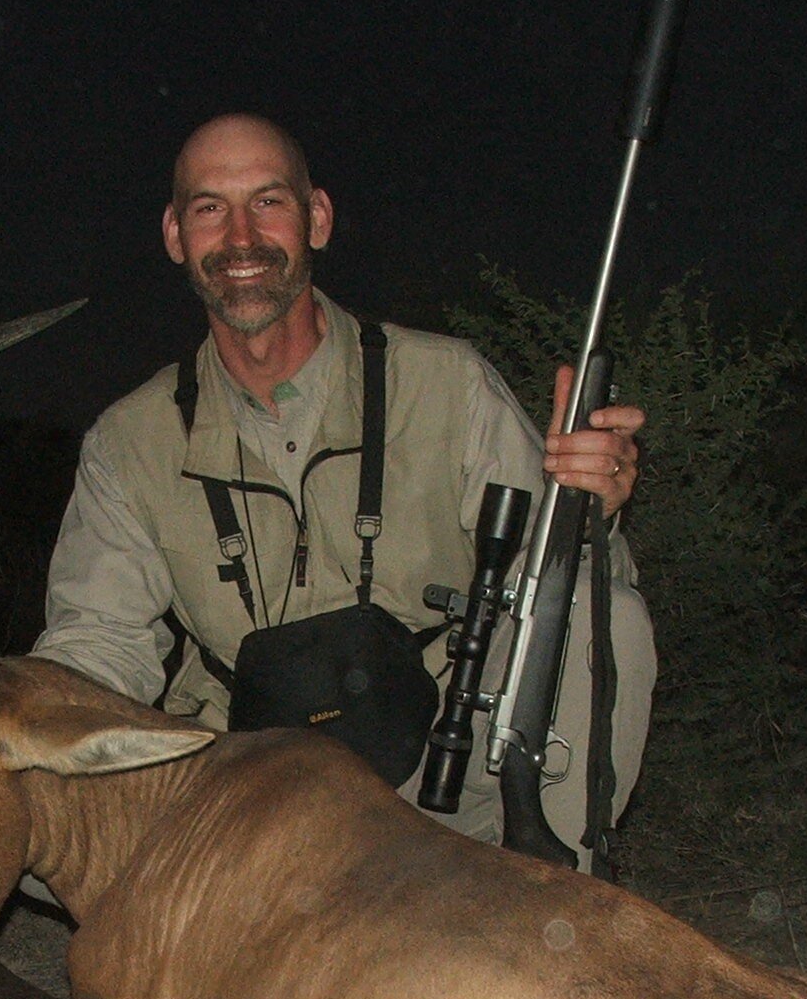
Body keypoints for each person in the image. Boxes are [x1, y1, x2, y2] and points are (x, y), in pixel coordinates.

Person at [33, 114, 656, 861]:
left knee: (603, 614)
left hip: (443, 773)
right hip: (245, 799)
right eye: (209, 208)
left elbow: (563, 595)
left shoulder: (446, 382)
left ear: (316, 219)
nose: (240, 238)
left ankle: (557, 910)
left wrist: (595, 512)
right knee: (29, 785)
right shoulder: (128, 442)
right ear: (175, 235)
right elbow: (95, 646)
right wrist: (9, 719)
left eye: (268, 201)